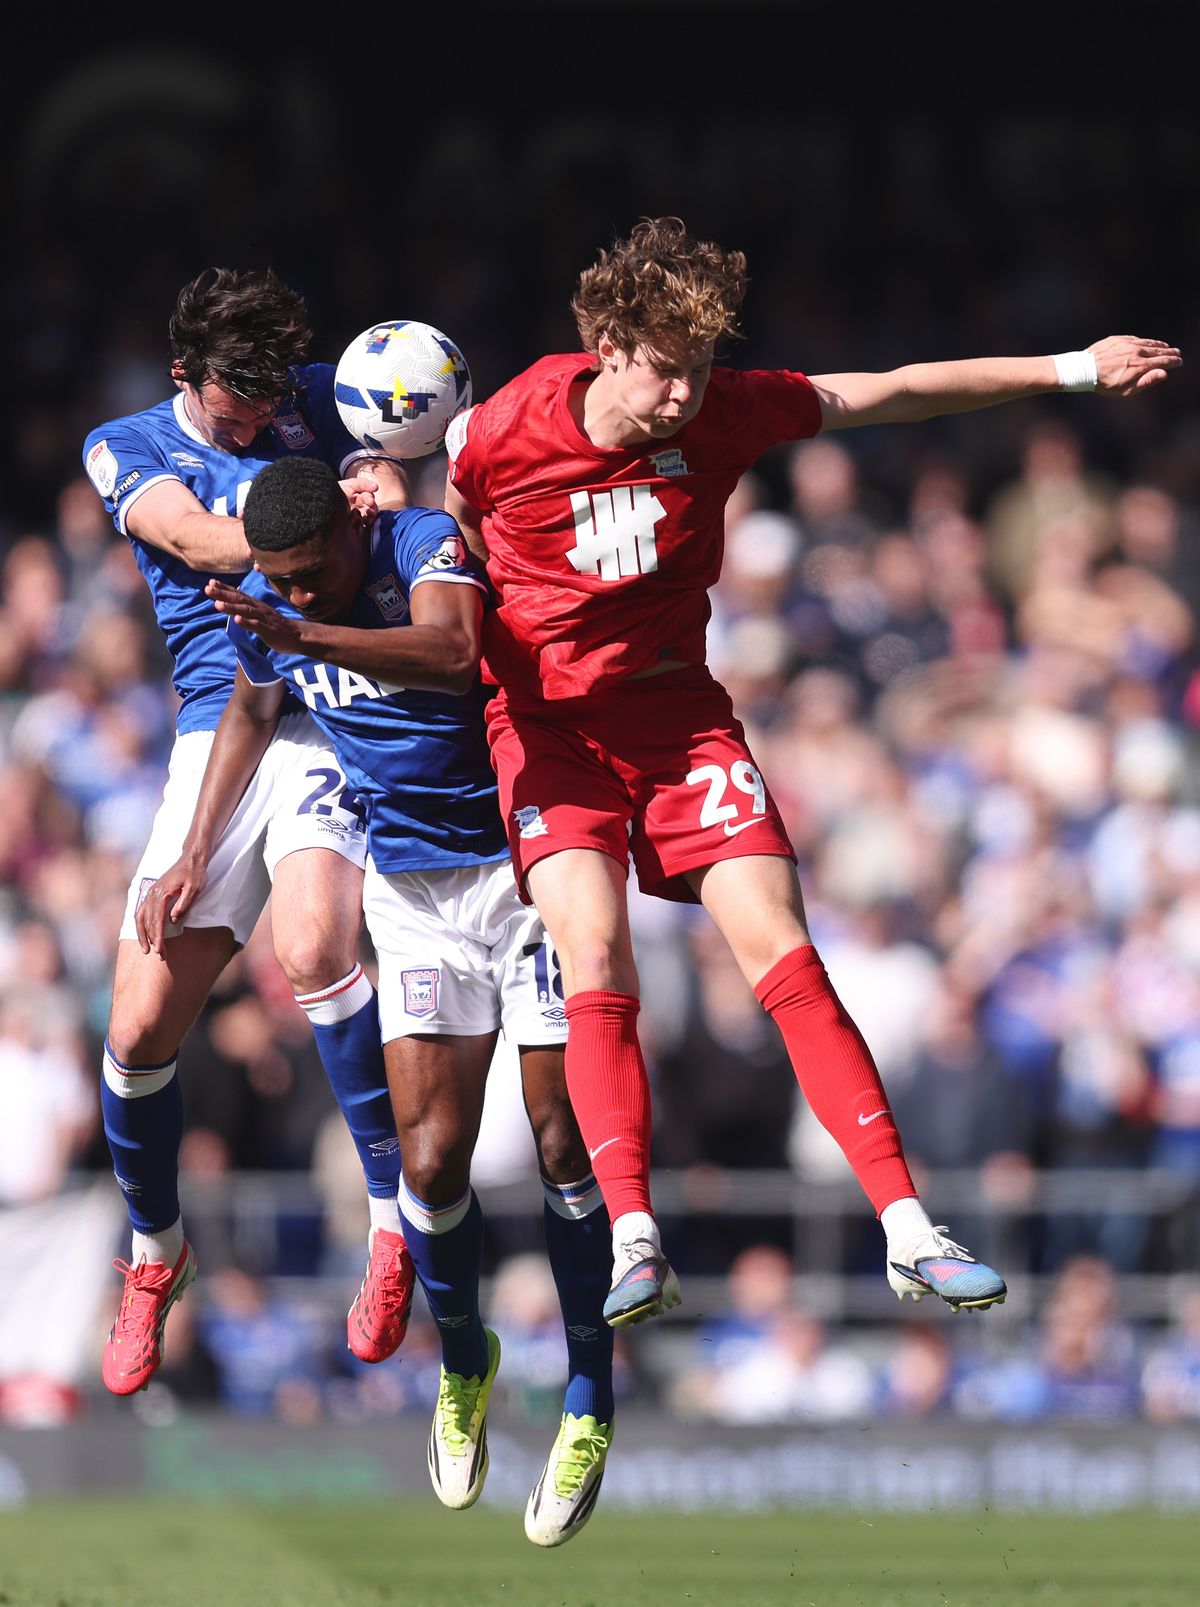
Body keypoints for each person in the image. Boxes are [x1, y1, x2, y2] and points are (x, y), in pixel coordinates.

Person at [442, 214, 1182, 1328]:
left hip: (680, 722)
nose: (682, 395)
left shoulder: (728, 409)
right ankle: (633, 1234)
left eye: (697, 369)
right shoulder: (505, 427)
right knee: (594, 948)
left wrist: (1073, 367)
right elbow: (438, 543)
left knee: (785, 951)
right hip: (548, 732)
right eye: (660, 370)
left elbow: (891, 392)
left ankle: (906, 1228)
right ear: (603, 341)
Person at [137, 454, 614, 1548]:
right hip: (412, 890)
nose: (296, 595)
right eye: (281, 582)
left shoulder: (418, 547)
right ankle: (464, 1358)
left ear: (352, 532)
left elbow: (454, 654)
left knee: (559, 1140)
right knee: (433, 1161)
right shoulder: (278, 603)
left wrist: (307, 634)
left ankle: (590, 1389)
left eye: (310, 575)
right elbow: (254, 704)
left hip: (525, 865)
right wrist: (196, 850)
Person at [81, 268, 414, 1397]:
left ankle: (390, 1218)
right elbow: (206, 541)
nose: (266, 420)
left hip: (324, 707)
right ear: (186, 377)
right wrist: (328, 503)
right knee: (133, 1032)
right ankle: (155, 1252)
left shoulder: (320, 397)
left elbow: (434, 447)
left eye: (278, 398)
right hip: (211, 733)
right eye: (241, 405)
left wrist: (396, 470)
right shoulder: (124, 444)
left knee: (318, 945)